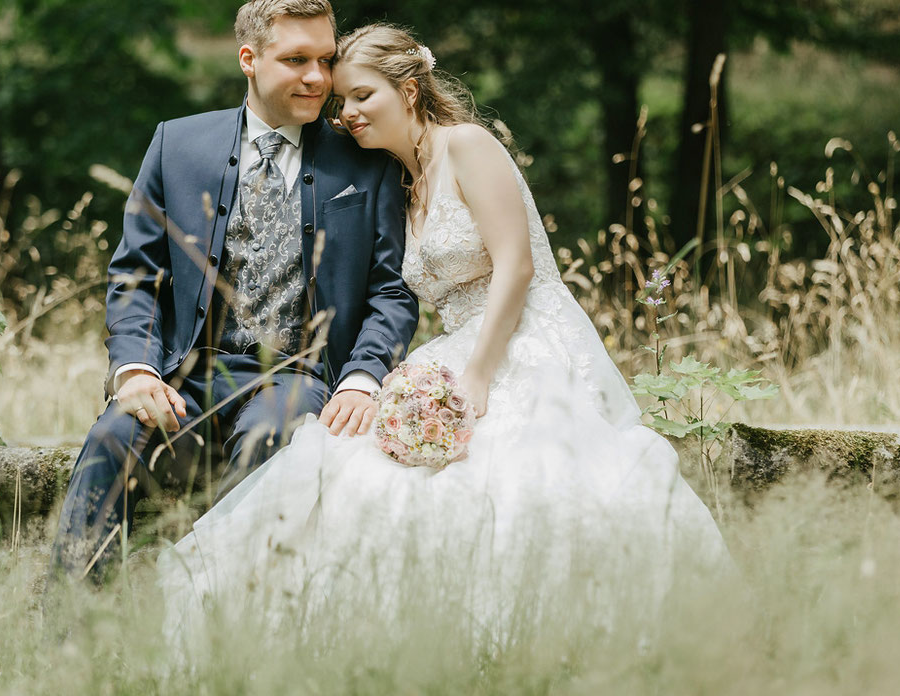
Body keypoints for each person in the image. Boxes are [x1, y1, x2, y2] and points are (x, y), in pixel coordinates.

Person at [157, 24, 728, 647]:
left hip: (523, 340)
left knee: (512, 481)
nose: (346, 114)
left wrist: (479, 373)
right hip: (455, 347)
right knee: (359, 467)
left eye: (362, 96)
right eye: (341, 103)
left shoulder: (467, 145)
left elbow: (517, 265)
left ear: (408, 89)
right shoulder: (400, 180)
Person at [48, 3, 418, 582]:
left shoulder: (367, 159)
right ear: (249, 60)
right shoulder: (177, 144)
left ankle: (219, 624)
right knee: (112, 437)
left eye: (325, 60)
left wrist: (363, 376)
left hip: (299, 375)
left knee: (273, 437)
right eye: (296, 60)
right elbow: (136, 276)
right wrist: (137, 372)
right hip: (182, 375)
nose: (318, 78)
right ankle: (67, 633)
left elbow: (392, 291)